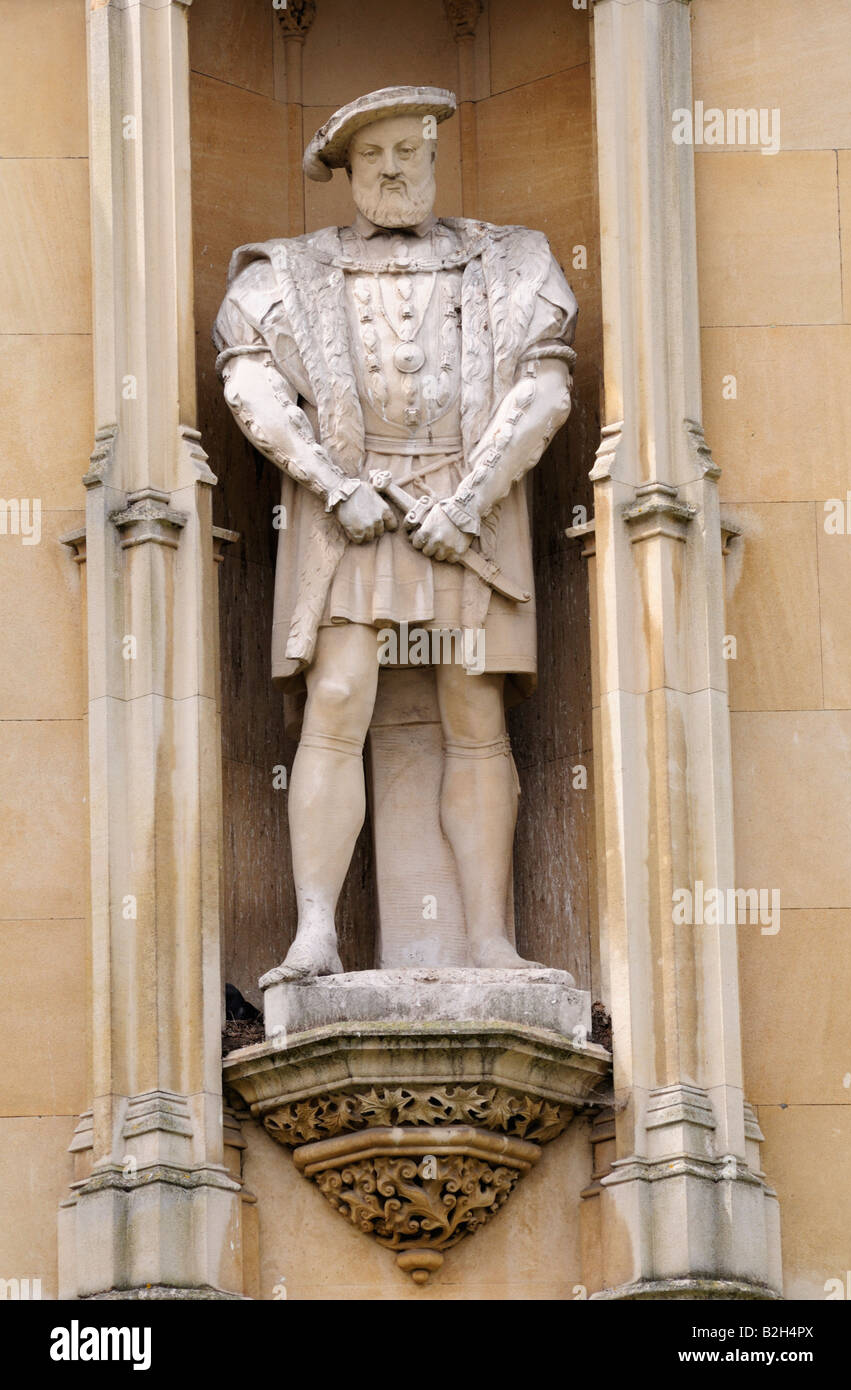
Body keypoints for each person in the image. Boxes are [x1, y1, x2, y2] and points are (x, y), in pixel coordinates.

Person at [214, 86, 577, 985]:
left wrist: (471, 500)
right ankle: (314, 933)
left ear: (432, 156)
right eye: (372, 155)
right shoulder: (282, 274)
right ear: (343, 169)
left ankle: (490, 940)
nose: (391, 169)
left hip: (470, 513)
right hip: (350, 513)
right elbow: (251, 387)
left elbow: (544, 388)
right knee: (338, 699)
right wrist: (335, 486)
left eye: (408, 152)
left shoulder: (511, 260)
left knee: (474, 710)